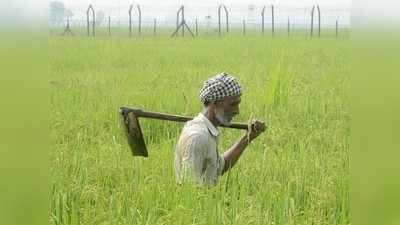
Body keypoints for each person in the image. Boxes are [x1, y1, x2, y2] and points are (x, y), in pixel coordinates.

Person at [174, 72, 266, 186]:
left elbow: (219, 168)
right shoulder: (198, 137)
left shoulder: (207, 131)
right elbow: (187, 188)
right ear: (215, 103)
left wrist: (248, 137)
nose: (237, 111)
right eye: (233, 104)